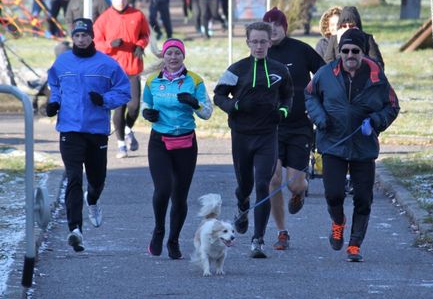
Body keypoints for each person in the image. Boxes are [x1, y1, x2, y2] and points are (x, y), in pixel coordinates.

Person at [305, 28, 399, 262]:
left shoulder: (376, 75)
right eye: (345, 50)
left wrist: (376, 121)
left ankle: (355, 244)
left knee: (364, 198)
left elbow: (393, 106)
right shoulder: (326, 73)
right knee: (333, 193)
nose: (349, 55)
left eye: (354, 51)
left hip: (363, 145)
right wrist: (320, 118)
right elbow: (310, 96)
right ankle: (338, 222)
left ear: (362, 52)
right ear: (340, 52)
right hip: (332, 142)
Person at [47, 18, 131, 252]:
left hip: (96, 131)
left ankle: (92, 199)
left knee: (96, 180)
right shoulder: (62, 62)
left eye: (85, 35)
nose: (81, 39)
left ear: (92, 37)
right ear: (72, 37)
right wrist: (53, 103)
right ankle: (76, 230)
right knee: (73, 177)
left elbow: (124, 91)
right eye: (77, 35)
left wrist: (105, 100)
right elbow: (54, 85)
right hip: (70, 129)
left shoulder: (107, 64)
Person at [214, 21, 293, 259]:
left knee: (263, 185)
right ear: (248, 42)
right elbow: (218, 95)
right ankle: (242, 204)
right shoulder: (237, 69)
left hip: (267, 136)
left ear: (270, 42)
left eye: (263, 42)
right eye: (254, 41)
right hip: (242, 135)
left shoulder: (280, 70)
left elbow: (288, 96)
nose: (259, 46)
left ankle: (257, 240)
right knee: (245, 185)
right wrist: (234, 105)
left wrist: (283, 112)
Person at [142, 38, 213, 259]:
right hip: (160, 141)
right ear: (163, 56)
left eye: (177, 53)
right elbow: (146, 104)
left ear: (183, 56)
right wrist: (147, 113)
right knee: (163, 189)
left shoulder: (195, 80)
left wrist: (194, 103)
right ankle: (158, 231)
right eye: (169, 53)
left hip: (185, 142)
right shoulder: (153, 80)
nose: (173, 57)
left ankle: (173, 240)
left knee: (180, 196)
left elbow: (207, 113)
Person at [263, 7, 324, 250]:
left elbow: (325, 75)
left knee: (294, 184)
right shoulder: (261, 53)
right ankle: (282, 232)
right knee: (273, 178)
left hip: (300, 126)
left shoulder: (300, 50)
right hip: (272, 127)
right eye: (268, 25)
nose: (273, 29)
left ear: (285, 28)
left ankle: (301, 190)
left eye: (277, 24)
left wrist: (317, 105)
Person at [93, 0, 150, 159]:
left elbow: (145, 34)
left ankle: (127, 129)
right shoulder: (104, 19)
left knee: (134, 106)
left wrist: (141, 45)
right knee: (119, 109)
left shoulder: (137, 15)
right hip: (114, 72)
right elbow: (96, 43)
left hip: (133, 67)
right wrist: (110, 45)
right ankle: (121, 145)